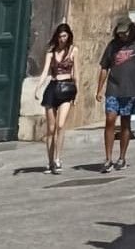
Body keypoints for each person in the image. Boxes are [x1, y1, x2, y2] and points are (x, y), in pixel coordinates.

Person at [97, 16, 135, 172]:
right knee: (110, 119)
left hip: (130, 89)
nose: (122, 36)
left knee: (125, 123)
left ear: (131, 30)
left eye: (125, 33)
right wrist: (99, 89)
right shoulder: (112, 46)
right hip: (113, 87)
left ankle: (122, 157)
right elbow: (104, 67)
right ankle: (108, 158)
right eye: (120, 33)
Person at [32, 22, 78, 173]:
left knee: (60, 125)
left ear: (68, 36)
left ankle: (58, 158)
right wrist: (38, 87)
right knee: (51, 128)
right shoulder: (51, 52)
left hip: (67, 88)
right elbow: (45, 71)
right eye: (59, 36)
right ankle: (50, 160)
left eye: (64, 36)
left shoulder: (73, 50)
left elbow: (76, 73)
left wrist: (76, 93)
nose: (62, 39)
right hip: (52, 88)